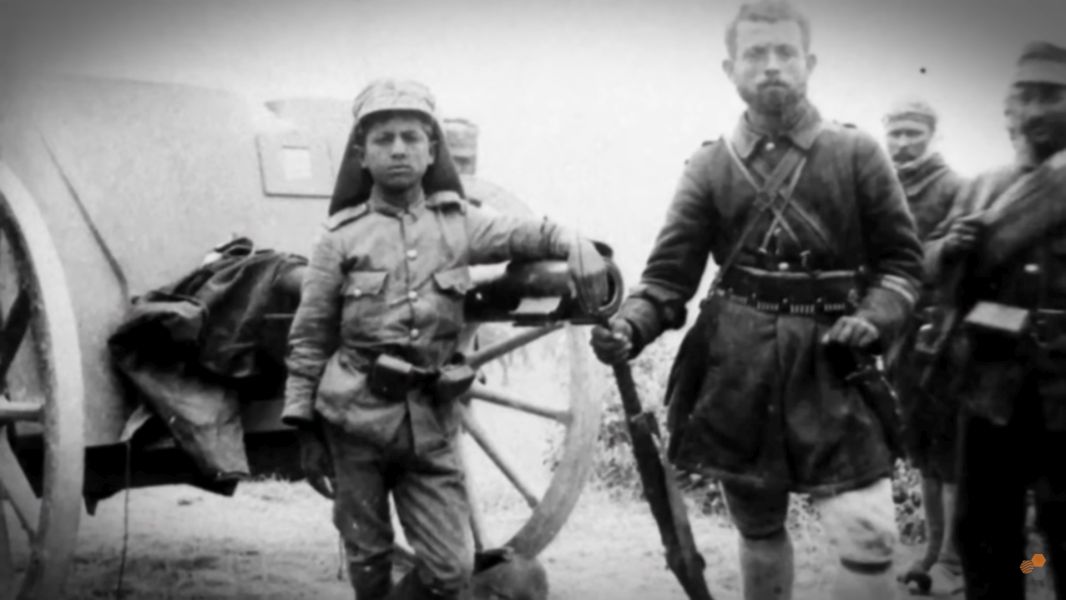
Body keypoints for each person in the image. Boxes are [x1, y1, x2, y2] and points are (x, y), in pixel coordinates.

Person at [590, 2, 924, 599]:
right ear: (731, 68)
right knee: (759, 526)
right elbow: (668, 278)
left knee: (869, 536)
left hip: (833, 364)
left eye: (785, 52)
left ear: (809, 63)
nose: (771, 65)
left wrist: (874, 318)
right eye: (755, 54)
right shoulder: (708, 166)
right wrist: (631, 326)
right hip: (739, 369)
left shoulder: (857, 154)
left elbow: (902, 265)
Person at [282, 78, 608, 600]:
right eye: (383, 138)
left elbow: (523, 234)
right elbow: (309, 338)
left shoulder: (458, 224)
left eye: (411, 137)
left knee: (451, 570)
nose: (398, 149)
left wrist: (573, 241)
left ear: (432, 150)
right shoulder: (339, 237)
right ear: (361, 155)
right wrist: (304, 430)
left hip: (430, 426)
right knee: (368, 562)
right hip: (354, 423)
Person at [923, 41, 1066, 599]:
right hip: (991, 385)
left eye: (1050, 95)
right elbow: (928, 264)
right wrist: (950, 249)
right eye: (1023, 96)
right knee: (984, 532)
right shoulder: (983, 187)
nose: (1034, 110)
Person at [880, 98, 966, 596]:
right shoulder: (885, 186)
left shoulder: (954, 187)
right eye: (895, 133)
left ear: (933, 136)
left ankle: (955, 560)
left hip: (946, 337)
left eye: (914, 133)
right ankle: (932, 552)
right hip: (903, 338)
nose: (903, 142)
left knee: (950, 451)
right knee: (923, 451)